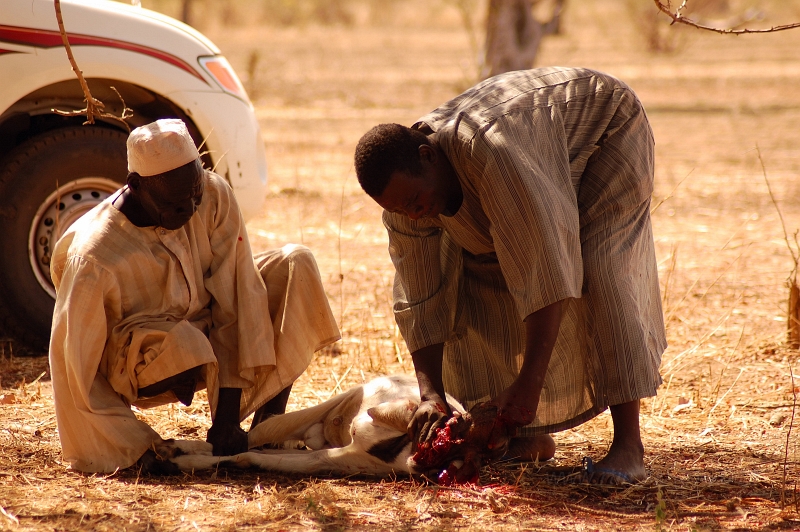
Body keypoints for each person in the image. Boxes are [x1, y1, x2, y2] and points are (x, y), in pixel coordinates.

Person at [354, 67, 666, 485]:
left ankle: (629, 447)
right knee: (472, 279)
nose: (413, 213)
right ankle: (523, 439)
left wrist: (529, 383)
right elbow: (419, 294)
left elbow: (544, 264)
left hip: (606, 134)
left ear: (429, 156)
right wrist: (432, 396)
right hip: (536, 155)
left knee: (601, 270)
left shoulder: (494, 154)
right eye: (401, 209)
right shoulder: (406, 201)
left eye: (415, 201)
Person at [49, 119, 340, 474]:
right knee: (187, 341)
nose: (189, 209)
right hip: (141, 361)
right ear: (136, 185)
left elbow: (237, 295)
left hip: (203, 325)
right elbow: (74, 367)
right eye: (174, 202)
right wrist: (134, 448)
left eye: (195, 194)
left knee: (295, 263)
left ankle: (268, 429)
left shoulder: (213, 195)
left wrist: (226, 423)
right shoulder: (95, 256)